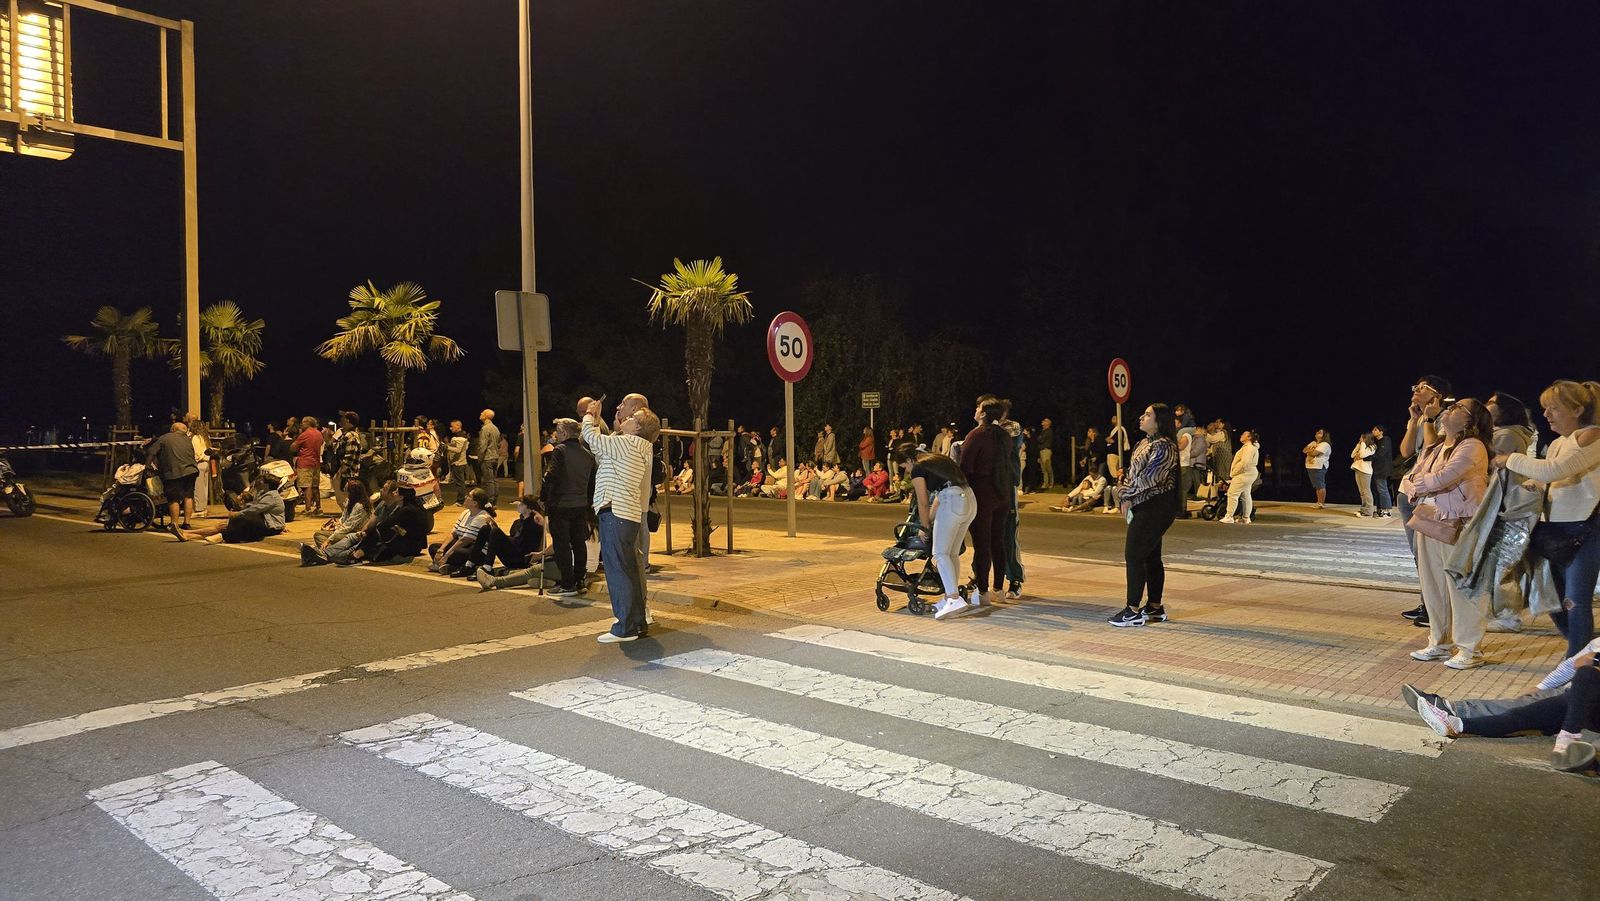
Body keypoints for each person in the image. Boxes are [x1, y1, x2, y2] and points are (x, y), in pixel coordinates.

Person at [1497, 380, 1600, 660]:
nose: (1547, 415)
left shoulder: (1593, 436)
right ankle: (1586, 653)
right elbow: (1551, 479)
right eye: (1545, 409)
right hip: (1556, 529)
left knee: (1575, 601)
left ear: (1578, 409)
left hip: (1587, 527)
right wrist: (1533, 485)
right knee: (1553, 599)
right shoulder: (1557, 442)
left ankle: (1577, 666)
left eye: (1554, 408)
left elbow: (1558, 470)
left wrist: (1510, 459)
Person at [1402, 641, 1600, 772]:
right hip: (1575, 697)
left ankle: (1568, 744)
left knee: (1587, 675)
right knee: (1519, 715)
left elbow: (1585, 665)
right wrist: (1540, 687)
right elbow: (1575, 664)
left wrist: (1594, 659)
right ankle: (1455, 722)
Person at [1401, 398, 1493, 669]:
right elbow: (1410, 477)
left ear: (1471, 420)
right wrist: (1419, 483)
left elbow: (1442, 478)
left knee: (1461, 587)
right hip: (1429, 521)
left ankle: (1469, 649)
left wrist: (1420, 483)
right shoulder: (1438, 445)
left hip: (1458, 524)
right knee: (1433, 586)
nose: (1448, 411)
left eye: (1457, 408)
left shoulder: (1473, 446)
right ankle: (1439, 642)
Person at [582, 397, 658, 644]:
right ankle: (636, 623)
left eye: (632, 419)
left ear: (637, 428)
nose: (626, 420)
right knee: (627, 571)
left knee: (617, 572)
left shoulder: (628, 444)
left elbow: (592, 440)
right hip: (626, 515)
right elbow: (606, 451)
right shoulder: (636, 446)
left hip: (615, 512)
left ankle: (624, 627)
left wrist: (590, 416)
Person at [1108, 403, 1180, 627]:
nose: (1142, 417)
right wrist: (1127, 493)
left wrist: (1124, 494)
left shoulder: (1165, 447)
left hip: (1156, 506)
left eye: (1147, 414)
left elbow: (1151, 477)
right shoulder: (1143, 443)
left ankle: (1132, 610)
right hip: (1142, 504)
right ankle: (1155, 608)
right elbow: (1133, 474)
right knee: (1150, 557)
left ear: (1159, 421)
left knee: (1134, 555)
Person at [889, 441, 979, 621]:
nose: (906, 471)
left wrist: (924, 528)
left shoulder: (918, 468)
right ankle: (950, 597)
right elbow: (941, 491)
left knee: (939, 553)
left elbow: (922, 501)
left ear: (909, 460)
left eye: (904, 466)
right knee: (951, 553)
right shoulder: (936, 459)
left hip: (952, 502)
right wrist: (931, 516)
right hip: (968, 500)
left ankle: (953, 598)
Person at [960, 398, 1012, 607]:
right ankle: (999, 589)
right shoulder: (1004, 436)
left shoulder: (977, 434)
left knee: (982, 544)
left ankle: (982, 592)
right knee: (997, 541)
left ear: (983, 414)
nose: (975, 410)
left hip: (982, 493)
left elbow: (965, 466)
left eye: (978, 408)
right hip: (1002, 492)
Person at [541, 417, 596, 596]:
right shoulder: (587, 454)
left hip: (561, 504)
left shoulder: (560, 450)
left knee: (562, 544)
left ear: (564, 433)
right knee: (579, 543)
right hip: (580, 504)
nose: (555, 435)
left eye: (557, 431)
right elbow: (591, 482)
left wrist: (544, 493)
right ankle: (580, 580)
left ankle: (567, 583)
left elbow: (551, 476)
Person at [475, 495, 553, 590]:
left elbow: (524, 546)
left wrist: (498, 534)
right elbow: (513, 539)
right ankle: (470, 563)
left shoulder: (533, 523)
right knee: (486, 529)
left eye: (522, 504)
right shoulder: (518, 522)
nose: (518, 505)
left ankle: (487, 568)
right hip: (514, 552)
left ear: (529, 509)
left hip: (521, 557)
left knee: (495, 532)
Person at [181, 474, 284, 544]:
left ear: (266, 484)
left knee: (241, 521)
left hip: (269, 526)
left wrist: (238, 513)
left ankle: (222, 536)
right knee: (225, 524)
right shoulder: (262, 493)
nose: (258, 482)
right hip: (263, 522)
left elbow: (255, 509)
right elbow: (252, 506)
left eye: (261, 481)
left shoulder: (272, 496)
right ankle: (188, 534)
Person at [147, 420, 199, 540]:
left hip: (174, 472)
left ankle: (174, 524)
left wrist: (148, 466)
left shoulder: (164, 438)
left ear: (173, 429)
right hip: (191, 471)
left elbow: (151, 452)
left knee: (173, 498)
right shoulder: (188, 440)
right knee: (188, 496)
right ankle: (186, 523)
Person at [429, 488, 494, 576]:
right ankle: (452, 566)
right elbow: (453, 533)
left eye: (469, 496)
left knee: (455, 553)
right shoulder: (466, 512)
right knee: (433, 548)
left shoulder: (481, 517)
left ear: (475, 503)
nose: (466, 497)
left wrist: (446, 555)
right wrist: (441, 550)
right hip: (461, 547)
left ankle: (454, 566)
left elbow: (465, 540)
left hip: (477, 552)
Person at [1220, 430, 1260, 524]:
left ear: (1249, 437)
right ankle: (1246, 517)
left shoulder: (1249, 448)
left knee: (1232, 494)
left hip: (1244, 474)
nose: (1241, 435)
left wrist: (1234, 472)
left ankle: (1229, 516)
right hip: (1248, 473)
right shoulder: (1250, 447)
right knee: (1245, 495)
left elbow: (1244, 463)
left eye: (1244, 434)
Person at [289, 415, 324, 514]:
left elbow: (292, 448)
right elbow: (321, 444)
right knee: (315, 486)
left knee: (306, 486)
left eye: (303, 422)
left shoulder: (305, 434)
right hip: (316, 463)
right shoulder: (319, 433)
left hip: (305, 462)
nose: (301, 424)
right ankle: (318, 507)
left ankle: (308, 508)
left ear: (308, 423)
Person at [188, 417, 213, 519]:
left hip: (199, 464)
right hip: (206, 463)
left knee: (197, 488)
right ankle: (203, 508)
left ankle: (199, 509)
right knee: (204, 487)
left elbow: (196, 454)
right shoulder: (206, 437)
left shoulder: (195, 438)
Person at [477, 409, 502, 506]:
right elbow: (498, 444)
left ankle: (489, 501)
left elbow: (483, 446)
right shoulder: (496, 428)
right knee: (494, 480)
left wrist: (480, 459)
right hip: (495, 456)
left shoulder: (485, 428)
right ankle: (494, 500)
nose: (480, 414)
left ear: (486, 416)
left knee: (488, 481)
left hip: (487, 457)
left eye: (482, 413)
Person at [1302, 428, 1332, 508]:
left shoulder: (1325, 444)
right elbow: (1304, 450)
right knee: (1316, 486)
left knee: (1320, 485)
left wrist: (1310, 451)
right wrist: (1310, 451)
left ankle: (1321, 503)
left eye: (1320, 432)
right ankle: (1318, 502)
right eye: (1317, 432)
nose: (1317, 433)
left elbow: (1314, 453)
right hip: (1311, 466)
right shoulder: (1313, 442)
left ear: (1324, 435)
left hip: (1319, 467)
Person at [1369, 425, 1394, 518]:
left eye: (1375, 430)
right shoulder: (1377, 442)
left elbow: (1380, 454)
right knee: (1377, 490)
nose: (1373, 431)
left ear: (1381, 431)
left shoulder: (1386, 440)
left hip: (1382, 469)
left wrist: (1366, 458)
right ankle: (1379, 509)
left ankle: (1387, 511)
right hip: (1376, 469)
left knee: (1383, 489)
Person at [1351, 430, 1376, 517]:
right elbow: (1352, 455)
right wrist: (1358, 445)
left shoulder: (1372, 447)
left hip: (1366, 471)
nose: (1360, 439)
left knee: (1366, 490)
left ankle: (1369, 510)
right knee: (1361, 491)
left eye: (1361, 438)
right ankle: (1363, 509)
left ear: (1366, 438)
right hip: (1358, 469)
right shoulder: (1362, 446)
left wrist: (1362, 444)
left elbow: (1361, 455)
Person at [446, 420, 471, 505]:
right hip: (459, 462)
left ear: (457, 426)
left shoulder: (460, 437)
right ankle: (461, 499)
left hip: (458, 463)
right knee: (459, 483)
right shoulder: (461, 437)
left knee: (460, 483)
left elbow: (458, 450)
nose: (450, 428)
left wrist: (446, 447)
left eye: (452, 426)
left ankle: (461, 501)